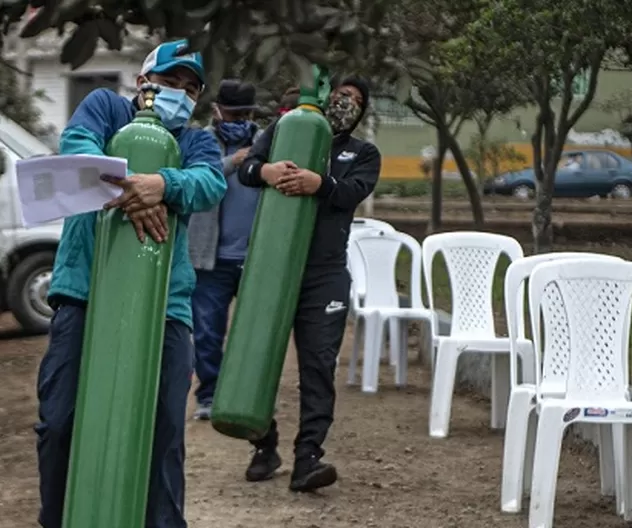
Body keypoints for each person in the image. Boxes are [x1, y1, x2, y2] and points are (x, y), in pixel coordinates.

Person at [34, 39, 226, 528]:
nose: (178, 94)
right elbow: (77, 150)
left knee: (162, 432)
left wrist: (162, 185)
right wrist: (134, 189)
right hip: (83, 291)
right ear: (142, 82)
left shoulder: (195, 139)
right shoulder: (104, 107)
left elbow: (210, 183)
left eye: (190, 88)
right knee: (60, 422)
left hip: (166, 304)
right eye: (168, 82)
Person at [236, 76, 381, 492]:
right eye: (340, 95)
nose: (345, 104)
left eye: (355, 100)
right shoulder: (285, 129)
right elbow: (247, 168)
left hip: (325, 275)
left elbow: (354, 191)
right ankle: (264, 444)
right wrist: (265, 170)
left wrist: (321, 184)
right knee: (256, 356)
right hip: (273, 267)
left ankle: (308, 458)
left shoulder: (363, 153)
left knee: (318, 366)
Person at [188, 79, 262, 420]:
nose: (239, 120)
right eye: (233, 113)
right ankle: (209, 396)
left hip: (256, 257)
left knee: (253, 334)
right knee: (206, 332)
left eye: (245, 114)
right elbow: (194, 178)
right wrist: (235, 160)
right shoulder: (201, 140)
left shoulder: (268, 143)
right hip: (210, 257)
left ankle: (249, 397)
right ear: (217, 110)